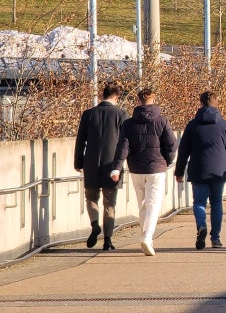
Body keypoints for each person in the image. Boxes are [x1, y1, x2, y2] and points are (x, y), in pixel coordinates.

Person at [110, 87, 177, 256]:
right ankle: (147, 236)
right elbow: (172, 144)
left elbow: (123, 147)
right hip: (156, 168)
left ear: (139, 102)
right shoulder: (162, 121)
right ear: (153, 101)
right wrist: (168, 160)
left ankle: (145, 236)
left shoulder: (129, 124)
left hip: (136, 169)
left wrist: (116, 168)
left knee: (142, 205)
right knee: (153, 205)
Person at [175, 92, 226, 249]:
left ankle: (201, 226)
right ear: (216, 103)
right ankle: (215, 238)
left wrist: (179, 172)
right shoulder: (225, 125)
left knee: (199, 202)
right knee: (216, 202)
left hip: (198, 169)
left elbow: (183, 151)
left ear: (201, 103)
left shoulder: (192, 126)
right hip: (219, 170)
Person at [74, 82, 125, 250]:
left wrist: (78, 162)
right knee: (109, 203)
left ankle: (95, 224)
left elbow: (81, 140)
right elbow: (125, 142)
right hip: (112, 165)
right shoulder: (121, 114)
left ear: (103, 95)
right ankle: (108, 240)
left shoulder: (88, 114)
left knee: (91, 198)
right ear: (116, 97)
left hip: (91, 163)